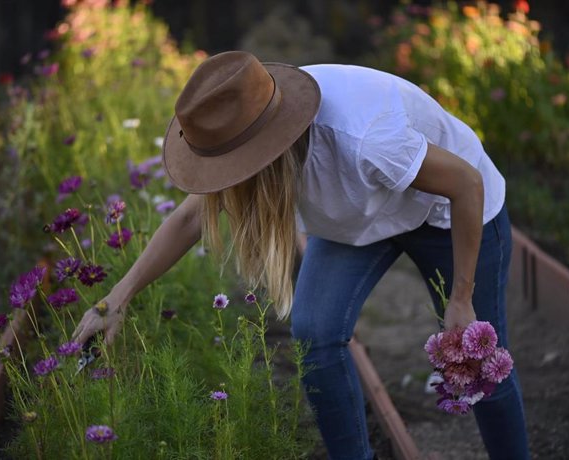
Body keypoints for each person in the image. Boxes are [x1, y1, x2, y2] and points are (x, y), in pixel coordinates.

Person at [72, 50, 529, 460]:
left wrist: (461, 297)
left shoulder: (367, 138)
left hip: (446, 211)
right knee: (315, 332)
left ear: (265, 153)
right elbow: (190, 220)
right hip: (356, 221)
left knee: (480, 359)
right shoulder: (240, 123)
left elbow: (466, 184)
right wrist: (115, 300)